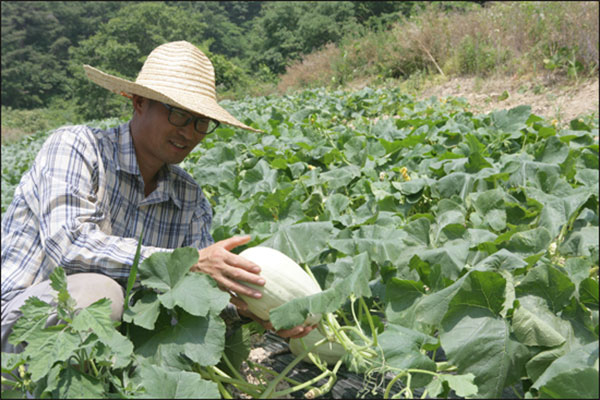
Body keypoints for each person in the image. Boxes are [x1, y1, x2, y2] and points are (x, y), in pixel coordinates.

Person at [1, 41, 315, 354]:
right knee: (101, 295)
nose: (190, 132)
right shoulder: (76, 146)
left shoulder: (189, 198)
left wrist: (245, 308)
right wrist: (186, 263)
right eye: (179, 114)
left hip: (114, 341)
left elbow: (193, 296)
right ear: (139, 101)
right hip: (22, 318)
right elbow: (69, 247)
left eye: (201, 121)